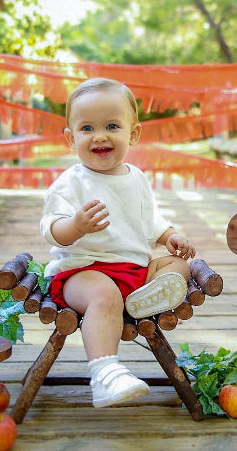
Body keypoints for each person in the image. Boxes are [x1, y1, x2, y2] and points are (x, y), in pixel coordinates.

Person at [40, 77, 197, 408]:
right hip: (84, 271)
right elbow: (51, 228)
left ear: (133, 133)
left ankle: (146, 298)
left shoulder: (136, 178)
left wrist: (169, 236)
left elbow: (149, 220)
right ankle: (105, 373)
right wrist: (76, 225)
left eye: (112, 125)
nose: (100, 136)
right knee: (103, 294)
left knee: (179, 265)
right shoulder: (72, 183)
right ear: (71, 138)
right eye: (87, 128)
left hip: (134, 272)